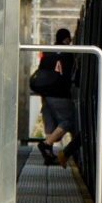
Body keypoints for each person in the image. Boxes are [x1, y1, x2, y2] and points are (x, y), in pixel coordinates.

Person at [34, 27, 77, 165]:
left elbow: (41, 71)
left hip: (46, 93)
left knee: (50, 124)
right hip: (60, 93)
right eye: (69, 39)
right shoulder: (68, 53)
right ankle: (47, 145)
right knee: (68, 121)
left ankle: (49, 156)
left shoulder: (47, 52)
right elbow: (71, 75)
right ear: (66, 38)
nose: (70, 41)